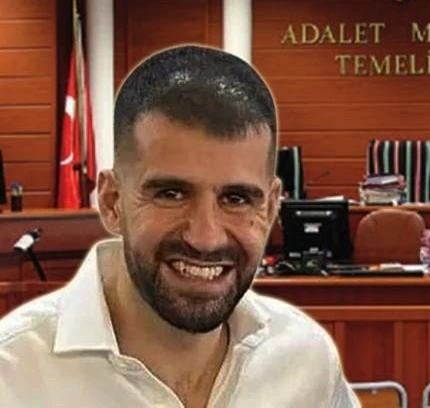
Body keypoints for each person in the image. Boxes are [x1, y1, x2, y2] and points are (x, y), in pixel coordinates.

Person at [0, 45, 360, 408]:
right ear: (112, 202)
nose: (206, 238)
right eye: (171, 194)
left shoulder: (306, 361)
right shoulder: (12, 375)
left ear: (268, 207)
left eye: (236, 199)